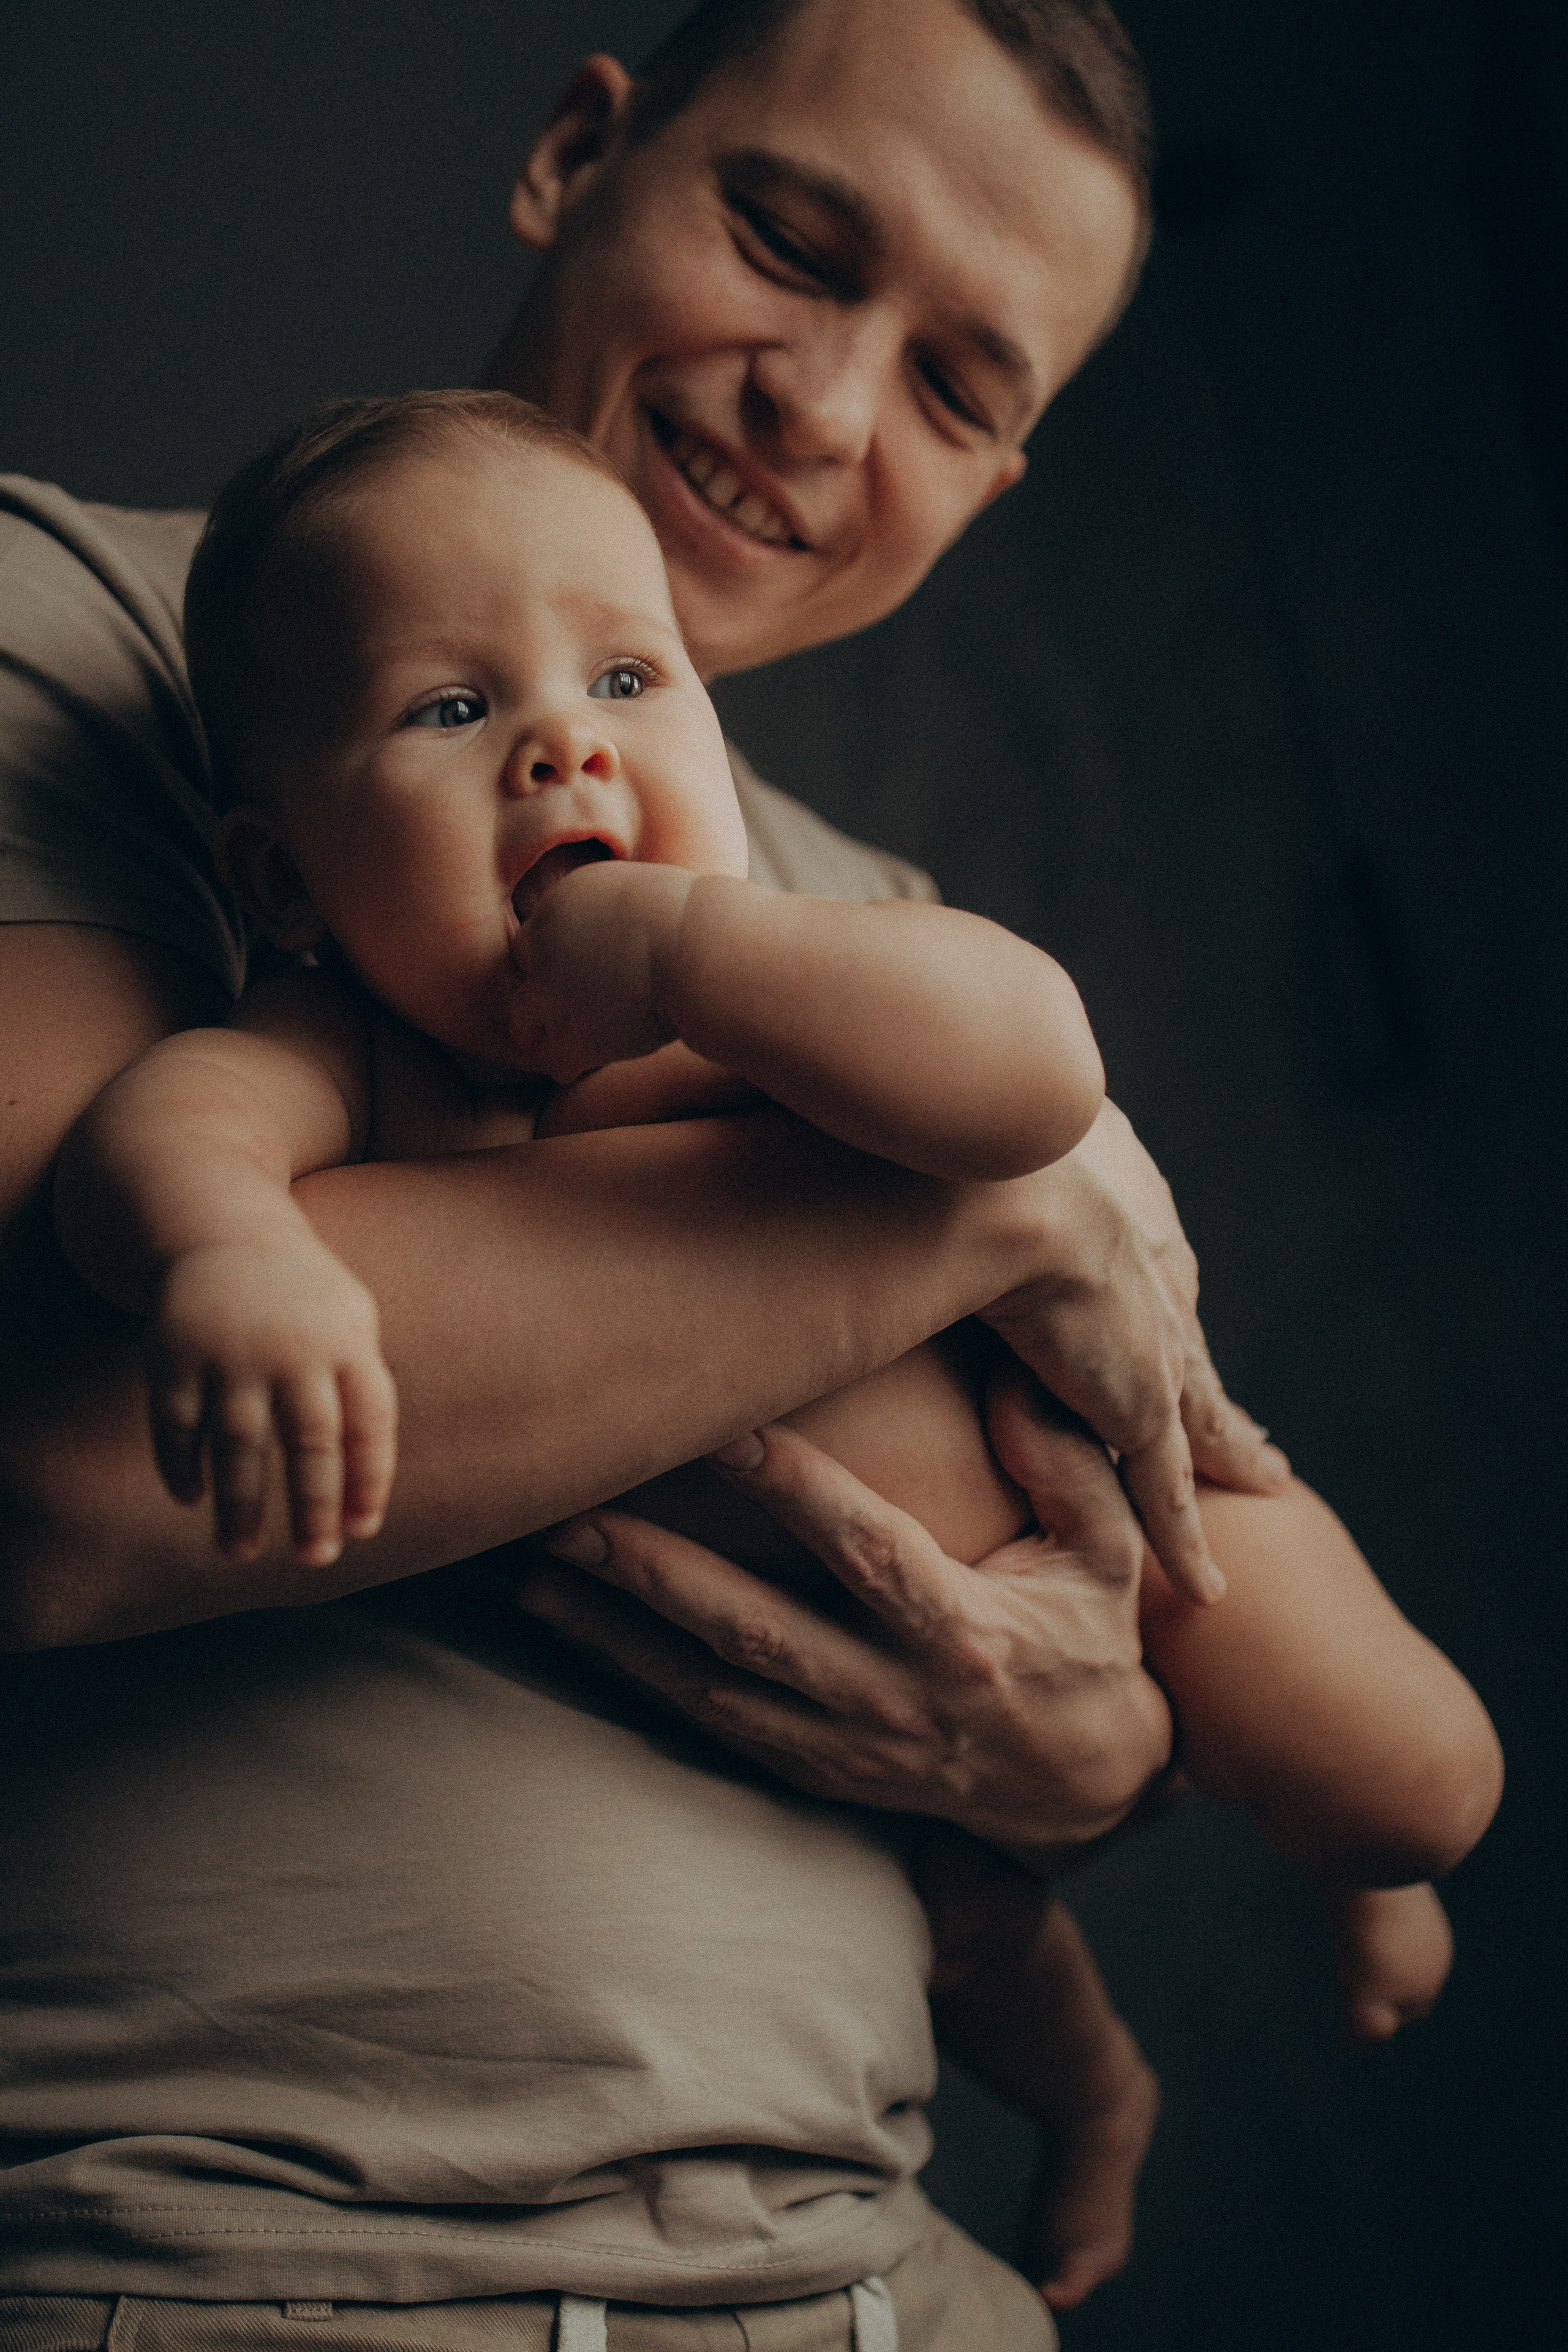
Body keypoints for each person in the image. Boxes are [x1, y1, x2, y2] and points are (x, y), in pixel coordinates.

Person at [0, 1, 1452, 2345]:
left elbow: (1103, 1546)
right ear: (582, 153)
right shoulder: (76, 642)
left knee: (1377, 1734)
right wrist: (979, 1204)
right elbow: (57, 1474)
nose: (826, 404)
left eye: (964, 389)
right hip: (281, 2252)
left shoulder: (864, 930)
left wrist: (1095, 1751)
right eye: (790, 240)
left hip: (863, 2254)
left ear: (995, 484)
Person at [55, 379, 1498, 2074]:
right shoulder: (351, 1053)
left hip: (1109, 1501)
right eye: (452, 707)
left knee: (1417, 1783)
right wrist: (232, 1247)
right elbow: (160, 1124)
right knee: (971, 1945)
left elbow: (1034, 1076)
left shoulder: (783, 986)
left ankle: (1351, 1874)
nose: (563, 745)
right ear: (284, 881)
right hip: (765, 1691)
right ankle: (1091, 2090)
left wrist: (681, 953)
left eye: (623, 680)